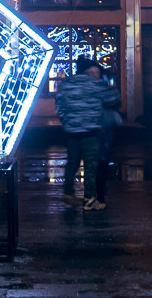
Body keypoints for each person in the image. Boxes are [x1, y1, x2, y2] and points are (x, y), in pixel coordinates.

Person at [54, 56, 118, 211]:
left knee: (72, 163)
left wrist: (67, 121)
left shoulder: (66, 84)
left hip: (72, 130)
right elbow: (112, 100)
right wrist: (110, 83)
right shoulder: (95, 84)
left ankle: (68, 194)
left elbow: (59, 106)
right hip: (91, 130)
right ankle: (89, 199)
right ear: (89, 71)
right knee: (90, 165)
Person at [95, 66, 123, 207]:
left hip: (97, 123)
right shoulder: (108, 88)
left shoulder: (94, 88)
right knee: (102, 155)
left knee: (97, 155)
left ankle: (96, 189)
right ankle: (99, 189)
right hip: (106, 123)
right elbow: (116, 101)